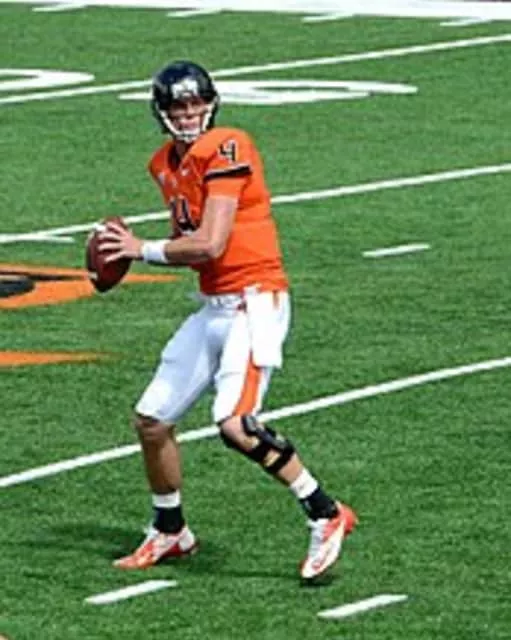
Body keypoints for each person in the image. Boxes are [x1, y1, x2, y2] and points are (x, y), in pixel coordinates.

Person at [99, 60, 357, 581]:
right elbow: (193, 248)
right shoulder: (164, 164)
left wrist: (138, 249)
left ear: (211, 104)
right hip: (215, 303)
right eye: (178, 106)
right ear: (161, 111)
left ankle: (326, 512)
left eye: (195, 103)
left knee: (236, 425)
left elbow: (212, 242)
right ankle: (170, 529)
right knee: (152, 420)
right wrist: (123, 255)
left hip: (255, 301)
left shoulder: (228, 145)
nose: (188, 113)